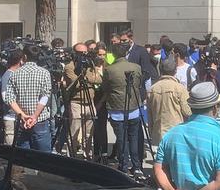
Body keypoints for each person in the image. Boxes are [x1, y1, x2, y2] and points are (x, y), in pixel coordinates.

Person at [103, 42, 145, 175]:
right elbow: (139, 85)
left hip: (117, 108)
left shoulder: (109, 70)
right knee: (133, 138)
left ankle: (124, 165)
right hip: (133, 107)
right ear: (126, 53)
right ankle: (136, 166)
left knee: (121, 139)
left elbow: (105, 88)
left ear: (114, 55)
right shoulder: (136, 67)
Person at [3, 46, 54, 152]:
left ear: (24, 57)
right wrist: (34, 116)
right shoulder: (44, 73)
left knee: (23, 157)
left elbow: (9, 99)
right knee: (44, 157)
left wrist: (22, 115)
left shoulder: (14, 74)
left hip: (22, 122)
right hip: (40, 120)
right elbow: (45, 97)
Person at [62, 43, 103, 157]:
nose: (83, 55)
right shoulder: (70, 67)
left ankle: (87, 154)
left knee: (89, 133)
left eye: (85, 53)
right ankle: (72, 155)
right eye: (80, 53)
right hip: (76, 103)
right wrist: (87, 78)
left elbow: (99, 79)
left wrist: (86, 77)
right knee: (74, 133)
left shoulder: (90, 65)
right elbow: (77, 83)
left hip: (90, 102)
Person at [147, 57, 191, 142]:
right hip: (176, 132)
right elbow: (187, 112)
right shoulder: (180, 88)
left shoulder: (152, 89)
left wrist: (151, 132)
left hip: (158, 132)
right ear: (175, 71)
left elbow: (150, 115)